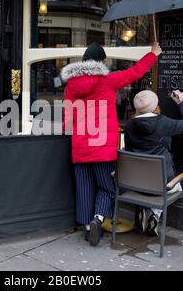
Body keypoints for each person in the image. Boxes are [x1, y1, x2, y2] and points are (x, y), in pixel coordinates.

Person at [61, 41, 162, 247]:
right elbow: (134, 73)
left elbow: (67, 119)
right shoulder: (107, 80)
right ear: (102, 62)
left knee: (84, 186)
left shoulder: (71, 86)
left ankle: (88, 229)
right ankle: (98, 219)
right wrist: (153, 54)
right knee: (106, 187)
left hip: (80, 147)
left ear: (83, 61)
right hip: (102, 148)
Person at [125, 90, 183, 235]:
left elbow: (128, 150)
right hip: (161, 183)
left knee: (148, 180)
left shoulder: (129, 125)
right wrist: (181, 102)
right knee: (177, 186)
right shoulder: (163, 122)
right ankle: (155, 213)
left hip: (135, 182)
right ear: (155, 106)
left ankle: (142, 208)